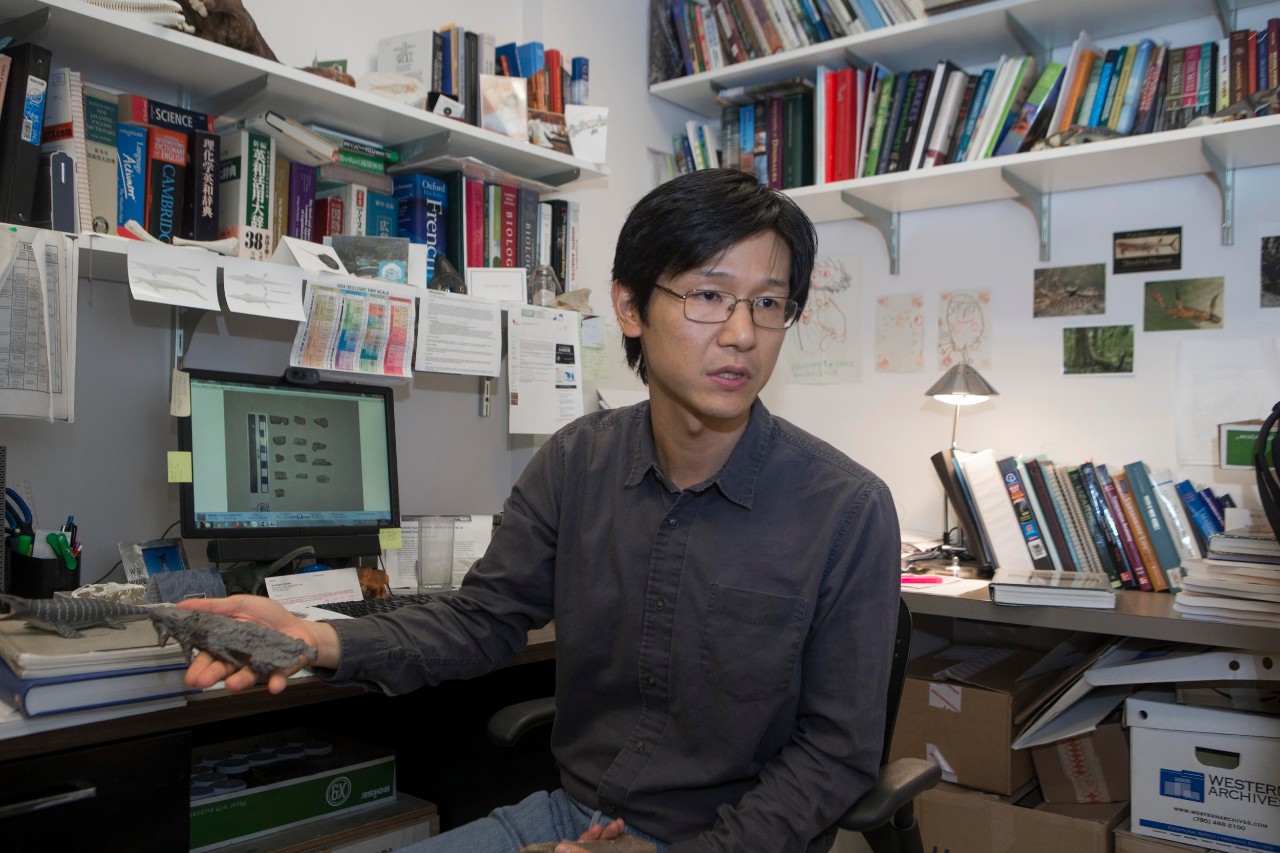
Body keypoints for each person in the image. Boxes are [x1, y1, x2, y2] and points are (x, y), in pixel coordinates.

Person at [181, 168, 901, 852]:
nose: (743, 333)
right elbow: (481, 620)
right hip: (570, 818)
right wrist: (317, 639)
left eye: (769, 304)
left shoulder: (845, 509)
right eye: (709, 296)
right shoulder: (576, 461)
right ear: (629, 306)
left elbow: (836, 756)